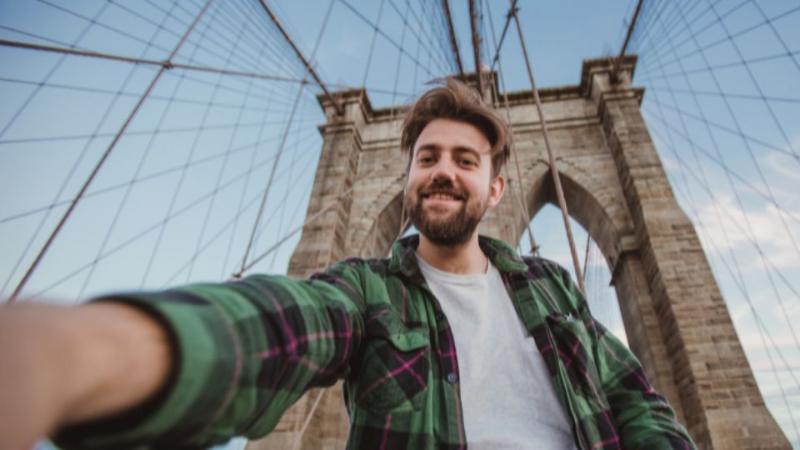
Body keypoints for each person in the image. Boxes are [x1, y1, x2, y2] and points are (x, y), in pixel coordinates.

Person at [0, 79, 695, 450]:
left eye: (465, 160)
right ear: (408, 178)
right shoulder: (368, 291)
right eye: (427, 159)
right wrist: (87, 353)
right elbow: (282, 328)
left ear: (496, 187)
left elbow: (633, 397)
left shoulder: (553, 290)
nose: (443, 173)